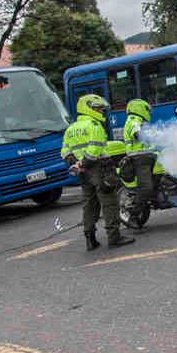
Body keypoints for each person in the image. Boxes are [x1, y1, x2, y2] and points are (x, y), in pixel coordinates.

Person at [61, 94, 135, 251]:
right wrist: (85, 163)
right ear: (88, 109)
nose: (101, 112)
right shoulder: (95, 126)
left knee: (89, 204)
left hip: (82, 172)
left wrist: (76, 164)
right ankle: (114, 237)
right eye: (98, 109)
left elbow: (65, 151)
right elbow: (94, 150)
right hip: (99, 169)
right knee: (109, 203)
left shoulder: (70, 129)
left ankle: (90, 239)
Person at [122, 99, 157, 220]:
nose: (148, 112)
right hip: (140, 158)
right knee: (146, 187)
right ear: (139, 108)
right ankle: (133, 213)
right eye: (146, 109)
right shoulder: (133, 121)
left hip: (147, 156)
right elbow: (138, 134)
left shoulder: (140, 121)